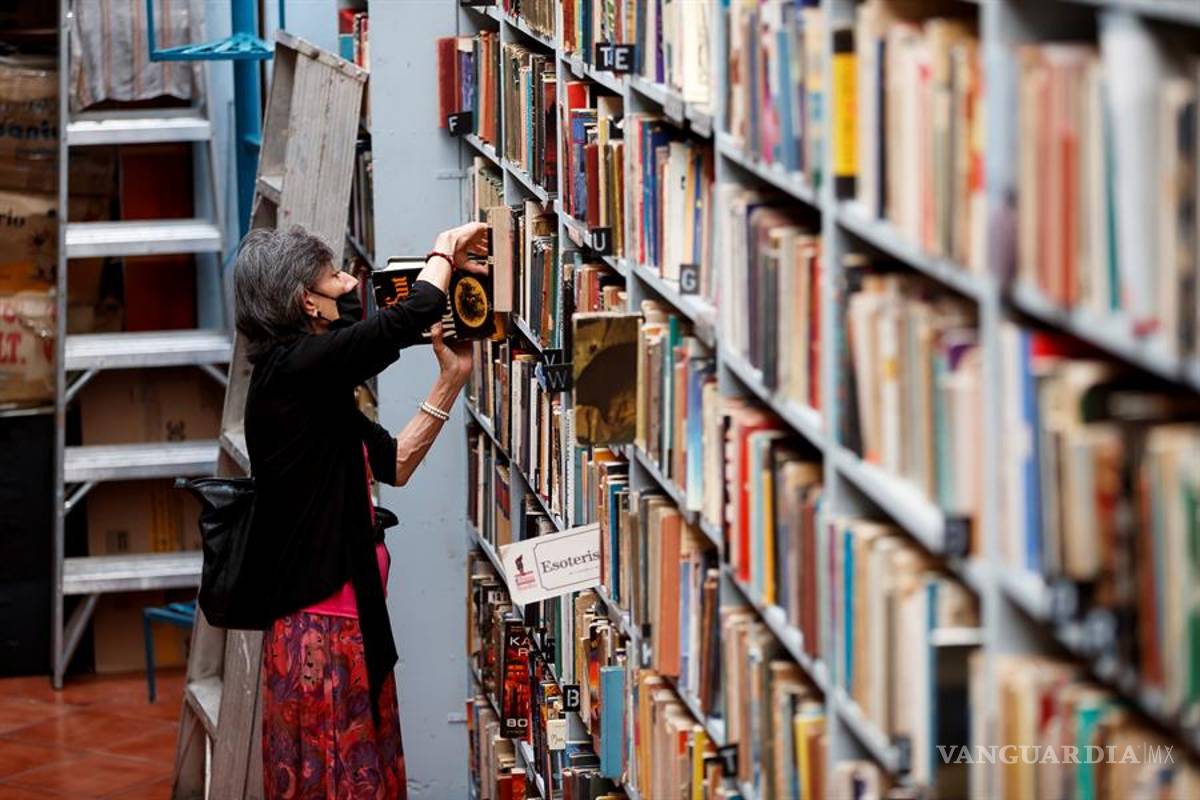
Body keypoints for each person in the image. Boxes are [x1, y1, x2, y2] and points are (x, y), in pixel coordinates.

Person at [232, 221, 488, 799]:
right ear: (309, 301)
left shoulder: (310, 383)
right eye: (337, 276)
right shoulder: (295, 370)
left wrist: (451, 381)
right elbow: (412, 312)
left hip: (350, 628)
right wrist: (443, 250)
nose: (352, 284)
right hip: (320, 639)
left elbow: (394, 464)